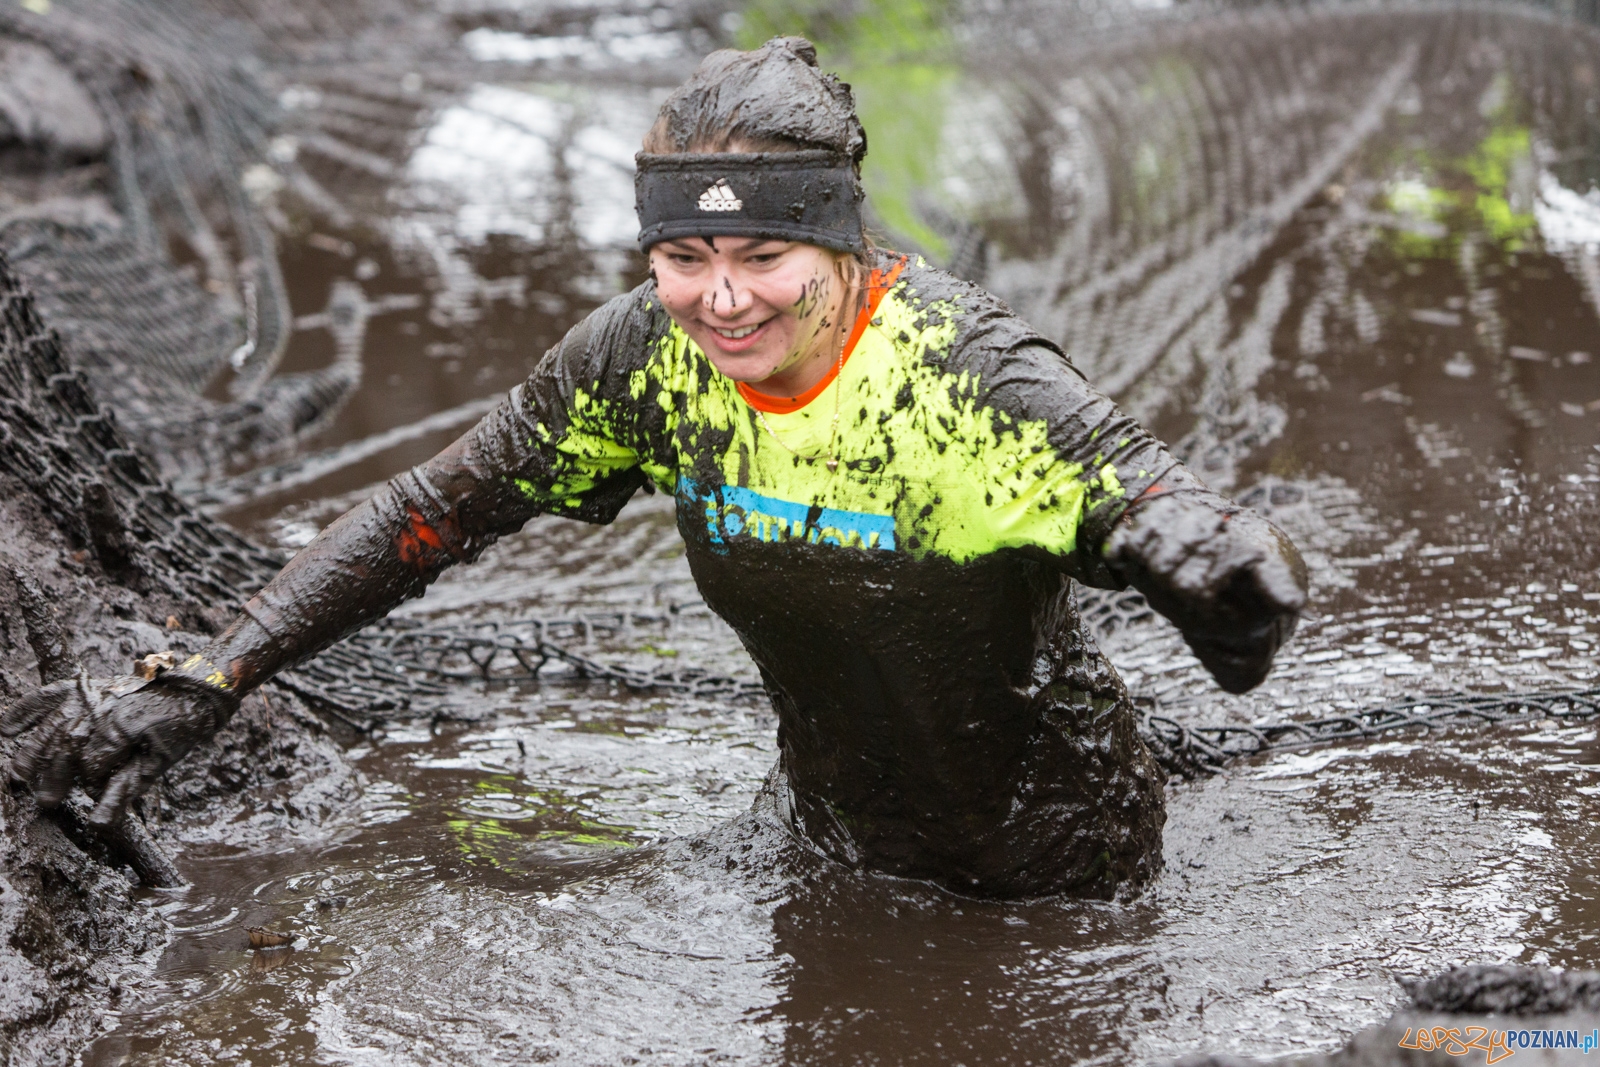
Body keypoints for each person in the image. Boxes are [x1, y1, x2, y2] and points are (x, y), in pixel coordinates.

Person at [0, 37, 1306, 900]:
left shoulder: (964, 379)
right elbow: (432, 513)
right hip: (826, 856)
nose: (721, 302)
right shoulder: (639, 365)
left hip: (1061, 882)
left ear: (844, 248)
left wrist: (1228, 572)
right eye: (685, 260)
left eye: (763, 263)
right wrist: (216, 676)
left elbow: (1197, 555)